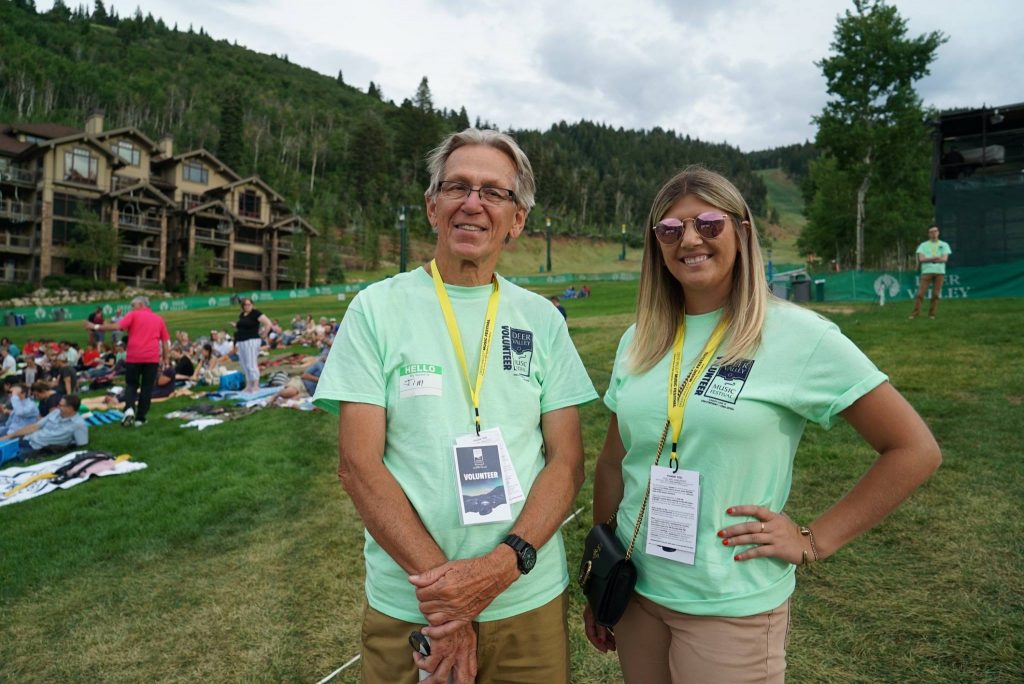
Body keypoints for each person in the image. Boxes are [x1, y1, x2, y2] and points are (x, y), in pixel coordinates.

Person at [585, 166, 941, 683]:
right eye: (669, 229)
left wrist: (814, 539)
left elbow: (914, 448)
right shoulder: (638, 338)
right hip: (638, 592)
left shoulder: (798, 335)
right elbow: (614, 463)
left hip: (731, 604)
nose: (689, 239)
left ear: (742, 230)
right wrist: (599, 578)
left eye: (708, 223)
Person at [314, 128, 598, 684]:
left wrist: (498, 568)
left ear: (517, 220)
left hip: (525, 595)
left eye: (494, 192)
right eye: (457, 187)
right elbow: (358, 467)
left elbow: (567, 462)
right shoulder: (376, 309)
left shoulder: (542, 320)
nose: (473, 203)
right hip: (412, 603)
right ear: (431, 206)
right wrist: (450, 598)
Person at [87, 295, 170, 428]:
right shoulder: (158, 319)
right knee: (146, 388)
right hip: (152, 358)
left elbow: (116, 326)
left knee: (131, 385)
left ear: (141, 305)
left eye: (133, 305)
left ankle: (129, 409)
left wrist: (95, 326)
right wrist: (166, 358)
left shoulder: (133, 315)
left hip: (134, 356)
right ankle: (140, 418)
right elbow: (165, 341)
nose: (131, 308)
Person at [5, 393, 88, 459]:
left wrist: (63, 447)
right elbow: (36, 426)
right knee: (5, 445)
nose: (58, 407)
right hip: (29, 439)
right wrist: (9, 436)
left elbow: (82, 445)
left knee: (7, 454)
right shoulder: (56, 413)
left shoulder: (78, 424)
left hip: (38, 448)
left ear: (70, 408)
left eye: (61, 405)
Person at [232, 297, 275, 393]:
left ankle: (255, 384)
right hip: (241, 340)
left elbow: (268, 323)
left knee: (251, 363)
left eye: (249, 304)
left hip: (251, 340)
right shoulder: (242, 315)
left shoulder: (256, 313)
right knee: (244, 364)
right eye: (245, 305)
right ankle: (249, 384)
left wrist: (264, 334)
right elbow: (242, 326)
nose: (247, 306)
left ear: (252, 305)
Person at [909, 224, 952, 320]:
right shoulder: (923, 245)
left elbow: (945, 259)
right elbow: (921, 259)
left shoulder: (944, 244)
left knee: (936, 294)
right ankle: (914, 314)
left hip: (940, 272)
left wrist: (929, 259)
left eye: (935, 231)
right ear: (928, 234)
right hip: (926, 272)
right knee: (920, 294)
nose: (933, 233)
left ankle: (932, 314)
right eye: (931, 232)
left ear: (938, 232)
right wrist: (935, 258)